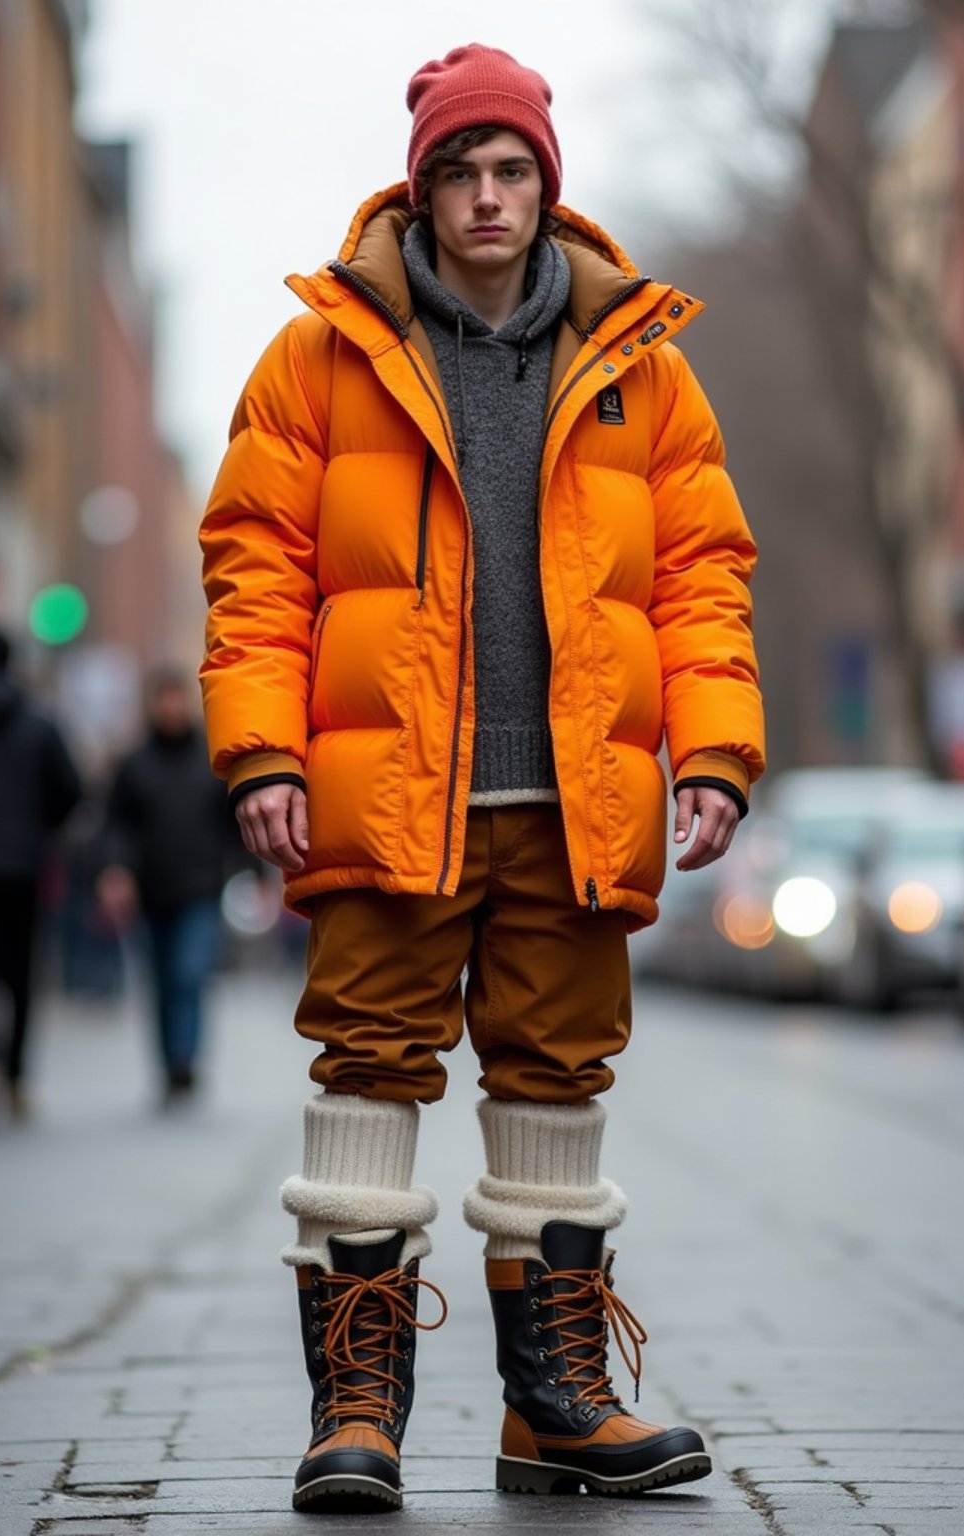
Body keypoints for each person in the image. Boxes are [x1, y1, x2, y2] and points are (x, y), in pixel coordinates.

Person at [199, 44, 766, 1514]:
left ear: (548, 184)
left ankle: (554, 1407)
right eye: (464, 172)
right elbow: (255, 570)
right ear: (425, 186)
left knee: (558, 1081)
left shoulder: (646, 363)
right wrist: (262, 749)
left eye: (514, 170)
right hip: (390, 799)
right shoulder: (322, 356)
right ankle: (358, 1414)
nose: (491, 196)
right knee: (368, 1075)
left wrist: (713, 751)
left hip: (577, 805)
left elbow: (705, 580)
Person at [97, 668, 242, 1103]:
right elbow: (116, 826)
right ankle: (168, 1065)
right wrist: (114, 870)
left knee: (189, 973)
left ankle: (185, 1059)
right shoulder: (134, 764)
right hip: (151, 892)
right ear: (152, 704)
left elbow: (233, 822)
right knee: (161, 982)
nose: (171, 707)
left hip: (200, 888)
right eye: (163, 699)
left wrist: (251, 873)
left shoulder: (212, 758)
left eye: (177, 698)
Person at [0, 629, 82, 1119]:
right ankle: (15, 1076)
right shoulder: (39, 725)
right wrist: (38, 830)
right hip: (23, 866)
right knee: (21, 974)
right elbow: (70, 790)